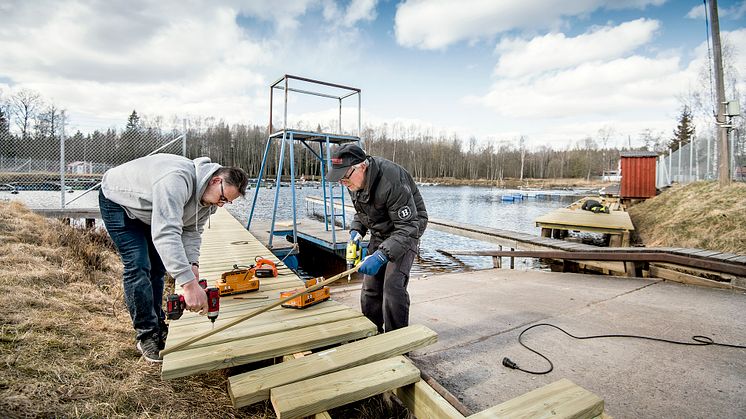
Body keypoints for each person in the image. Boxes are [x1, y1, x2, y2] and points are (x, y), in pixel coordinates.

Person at [99, 153, 249, 363]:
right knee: (139, 264)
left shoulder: (209, 203)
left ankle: (158, 323)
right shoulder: (177, 179)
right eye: (223, 198)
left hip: (150, 210)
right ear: (216, 180)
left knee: (158, 268)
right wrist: (188, 285)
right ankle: (146, 334)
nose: (222, 204)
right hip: (119, 203)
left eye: (227, 202)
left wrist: (192, 266)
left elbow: (192, 232)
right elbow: (167, 232)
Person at [327, 143, 427, 333]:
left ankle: (397, 338)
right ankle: (372, 331)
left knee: (392, 287)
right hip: (381, 233)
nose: (342, 182)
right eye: (338, 178)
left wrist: (382, 255)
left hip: (407, 229)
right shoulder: (352, 181)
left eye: (344, 176)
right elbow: (362, 211)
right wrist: (357, 230)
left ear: (362, 166)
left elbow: (408, 226)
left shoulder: (391, 179)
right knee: (370, 287)